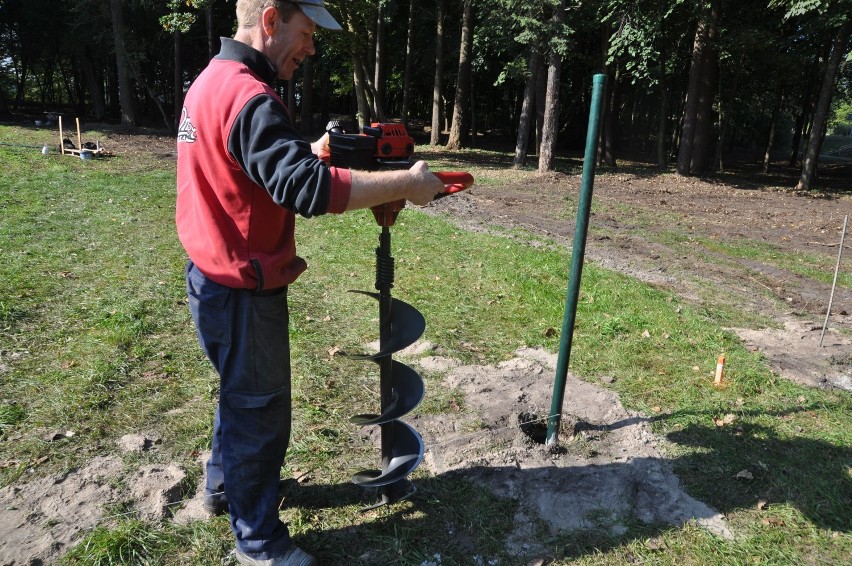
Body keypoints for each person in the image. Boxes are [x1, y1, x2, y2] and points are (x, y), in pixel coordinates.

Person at [175, 1, 444, 564]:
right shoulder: (251, 97)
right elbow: (308, 191)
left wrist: (308, 151)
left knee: (239, 398)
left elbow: (249, 165)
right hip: (244, 291)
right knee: (260, 413)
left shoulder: (210, 82)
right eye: (304, 33)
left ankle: (225, 488)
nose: (311, 48)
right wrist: (406, 183)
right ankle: (260, 545)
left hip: (211, 277)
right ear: (269, 21)